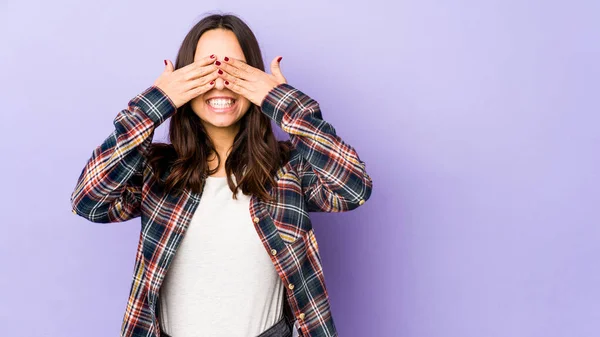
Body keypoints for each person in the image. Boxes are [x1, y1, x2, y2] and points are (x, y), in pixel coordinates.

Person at [70, 13, 372, 337]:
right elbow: (90, 201)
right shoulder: (156, 171)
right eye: (205, 69)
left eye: (233, 69)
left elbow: (352, 187)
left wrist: (283, 102)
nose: (219, 82)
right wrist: (155, 103)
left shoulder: (288, 170)